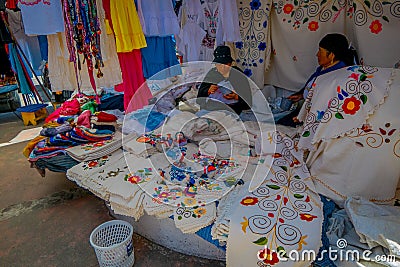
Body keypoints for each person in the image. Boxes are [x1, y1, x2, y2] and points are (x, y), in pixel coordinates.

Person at [277, 33, 357, 127]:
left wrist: (304, 116)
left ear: (331, 55)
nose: (317, 55)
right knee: (279, 121)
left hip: (318, 119)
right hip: (306, 111)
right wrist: (301, 95)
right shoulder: (323, 68)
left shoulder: (338, 75)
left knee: (282, 126)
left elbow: (326, 104)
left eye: (320, 51)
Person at [197, 45, 252, 115]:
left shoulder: (238, 75)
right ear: (215, 64)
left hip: (231, 111)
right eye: (219, 65)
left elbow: (249, 102)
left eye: (225, 64)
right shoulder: (212, 74)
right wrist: (208, 90)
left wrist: (236, 96)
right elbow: (199, 100)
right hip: (211, 110)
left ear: (230, 63)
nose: (222, 68)